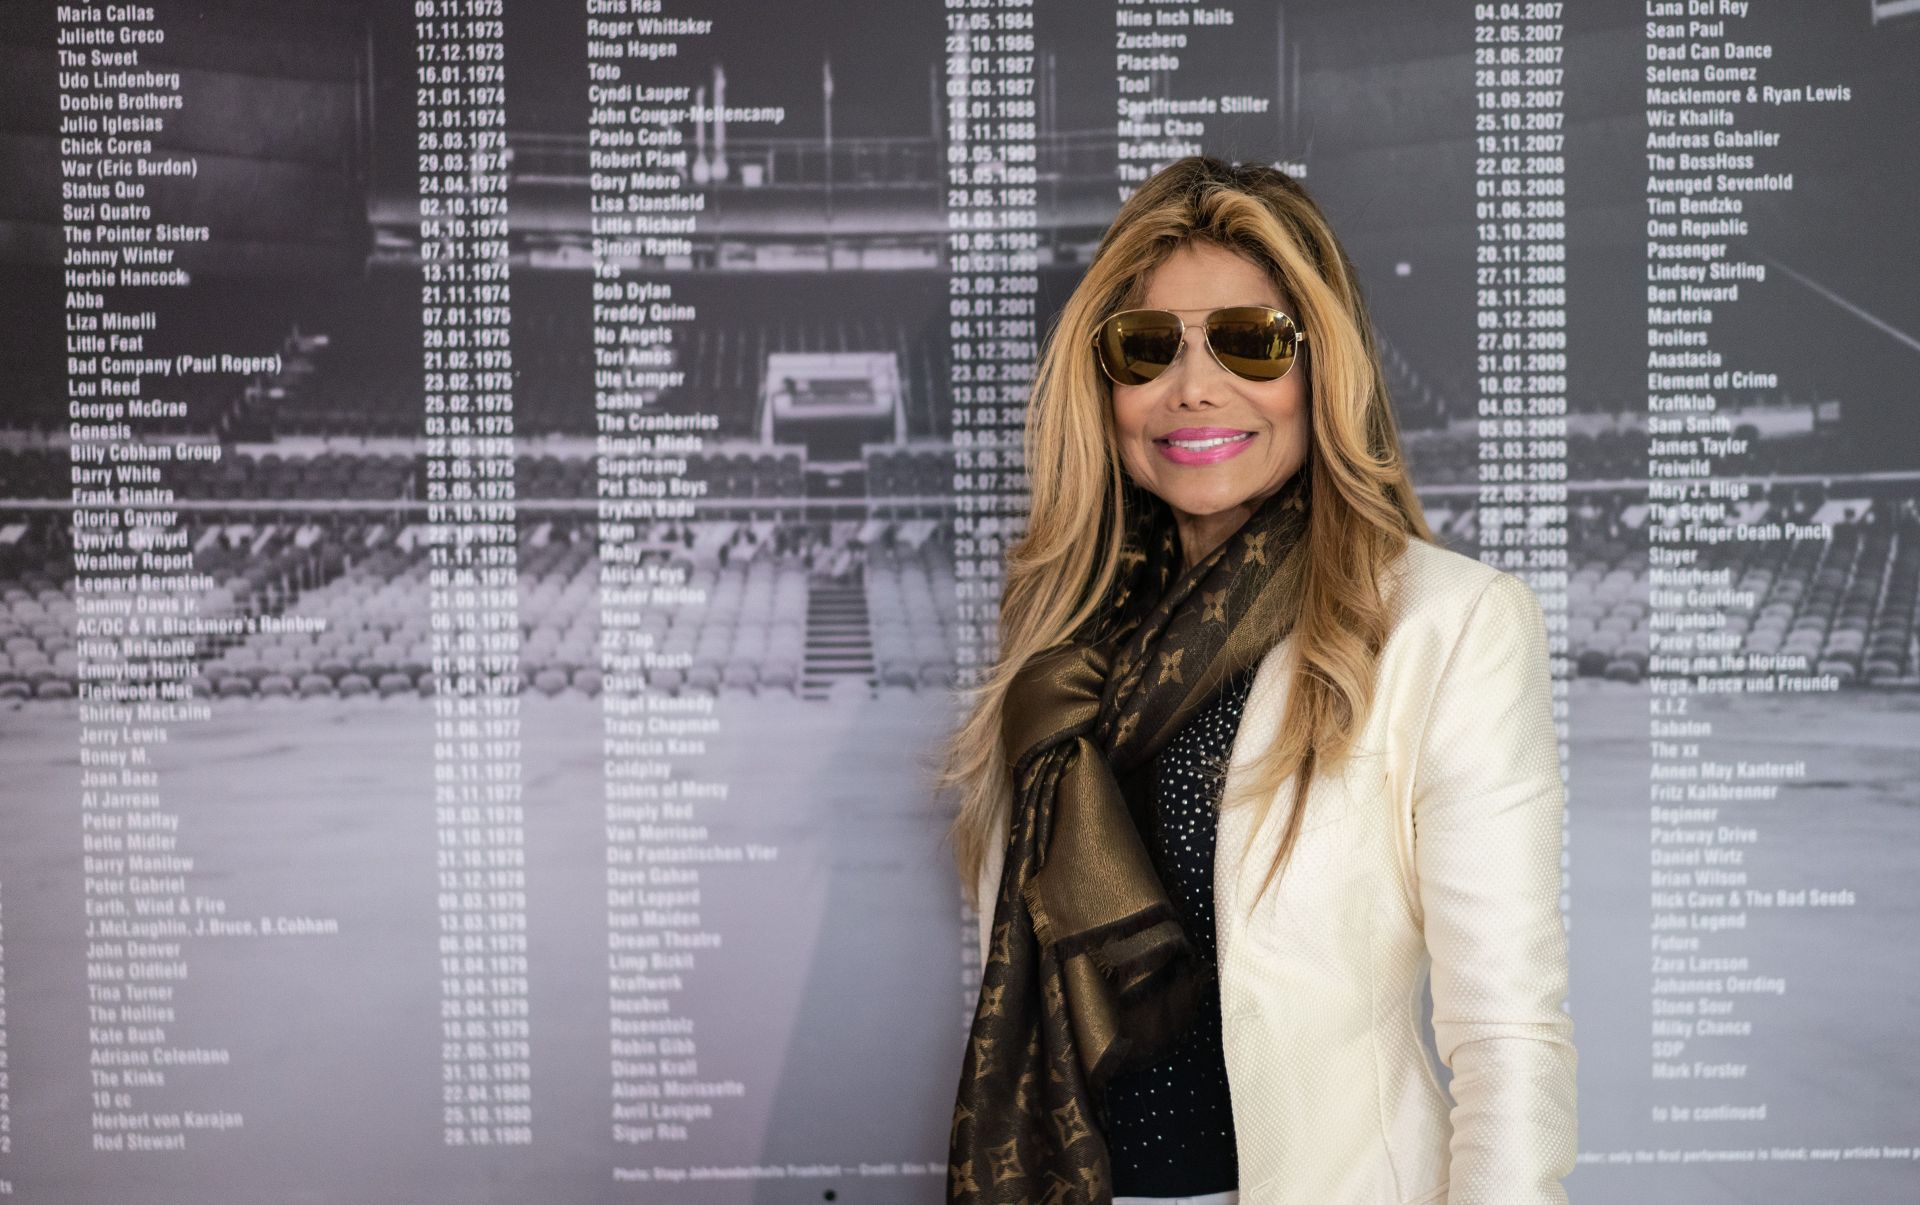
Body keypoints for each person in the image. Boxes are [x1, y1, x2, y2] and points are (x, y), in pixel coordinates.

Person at [943, 156, 1576, 1205]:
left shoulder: (1446, 624)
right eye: (1147, 349)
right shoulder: (1058, 655)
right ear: (1103, 387)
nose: (1193, 385)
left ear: (1321, 365)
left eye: (1250, 340)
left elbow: (1508, 1040)